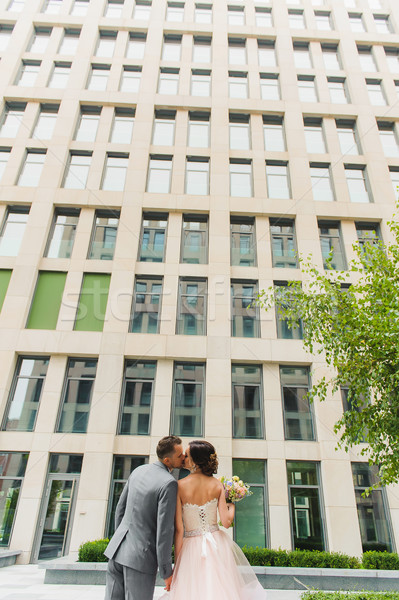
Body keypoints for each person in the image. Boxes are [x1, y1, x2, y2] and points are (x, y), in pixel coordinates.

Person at [162, 440, 267, 600]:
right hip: (217, 546)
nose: (184, 457)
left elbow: (179, 530)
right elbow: (226, 522)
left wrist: (177, 566)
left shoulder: (179, 486)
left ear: (196, 461)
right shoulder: (217, 485)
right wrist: (232, 505)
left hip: (191, 547)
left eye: (187, 455)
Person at [104, 435, 185, 600]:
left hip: (116, 551)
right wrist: (166, 571)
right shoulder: (169, 483)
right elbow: (165, 531)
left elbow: (120, 509)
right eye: (180, 455)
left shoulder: (138, 470)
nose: (183, 457)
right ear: (168, 460)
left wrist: (121, 540)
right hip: (140, 559)